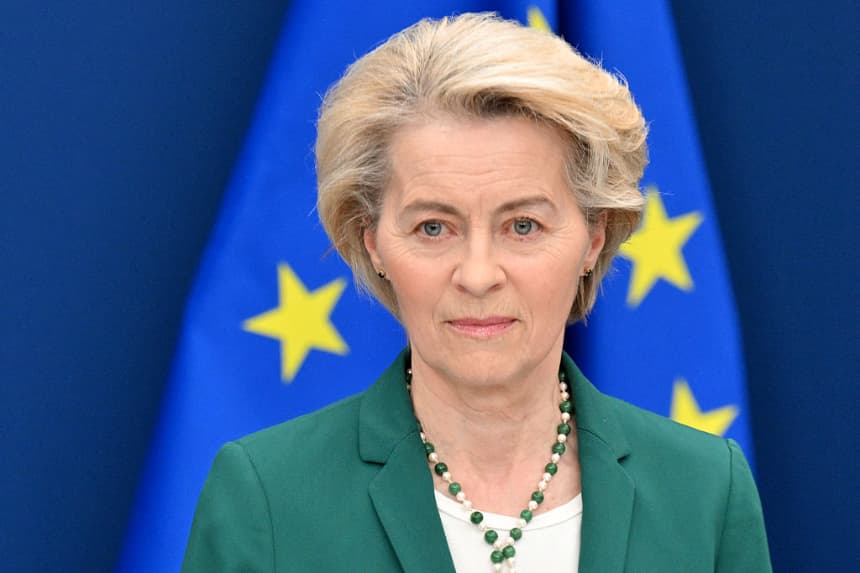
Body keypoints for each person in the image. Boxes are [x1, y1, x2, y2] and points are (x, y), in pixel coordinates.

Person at [182, 13, 771, 573]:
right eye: (433, 227)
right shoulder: (266, 495)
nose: (479, 273)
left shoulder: (705, 489)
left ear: (593, 238)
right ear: (374, 244)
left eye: (523, 226)